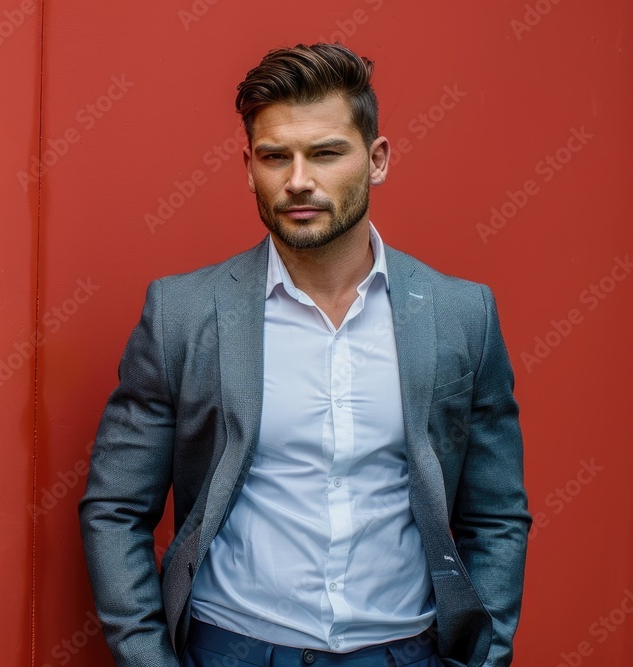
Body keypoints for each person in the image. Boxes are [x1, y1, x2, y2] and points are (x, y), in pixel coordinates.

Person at [78, 42, 530, 667]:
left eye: (324, 153)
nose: (297, 180)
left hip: (402, 652)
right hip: (232, 648)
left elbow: (497, 514)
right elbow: (115, 506)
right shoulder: (182, 314)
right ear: (248, 167)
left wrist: (484, 658)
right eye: (274, 157)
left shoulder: (460, 314)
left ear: (377, 160)